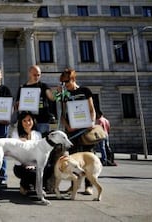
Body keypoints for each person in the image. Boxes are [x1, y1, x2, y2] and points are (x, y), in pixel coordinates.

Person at [59, 67, 96, 195]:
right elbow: (62, 114)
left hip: (85, 130)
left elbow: (92, 109)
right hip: (72, 131)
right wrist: (67, 126)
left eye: (67, 81)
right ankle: (74, 185)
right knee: (73, 161)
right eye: (63, 82)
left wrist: (92, 121)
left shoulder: (85, 91)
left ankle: (89, 185)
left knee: (88, 159)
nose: (65, 85)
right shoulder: (64, 94)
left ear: (73, 79)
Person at [15, 65, 55, 135]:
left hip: (42, 120)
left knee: (42, 142)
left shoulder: (44, 86)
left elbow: (51, 97)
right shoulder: (23, 87)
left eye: (38, 75)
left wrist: (58, 93)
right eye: (34, 75)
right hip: (28, 122)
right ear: (29, 73)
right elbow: (18, 104)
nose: (37, 77)